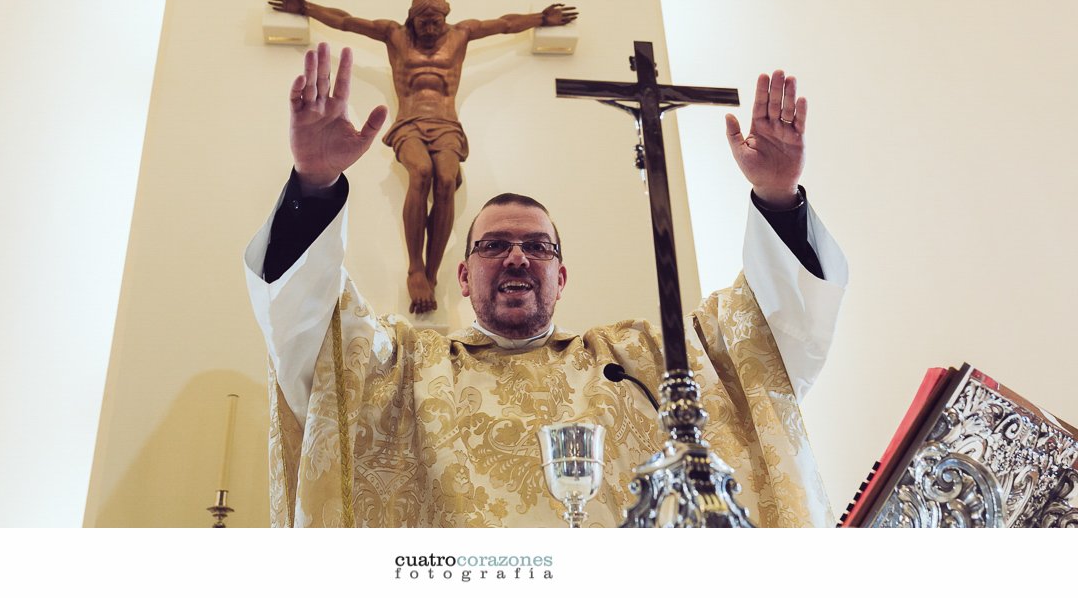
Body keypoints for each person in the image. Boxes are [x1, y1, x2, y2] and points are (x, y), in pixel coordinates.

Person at [244, 43, 848, 527]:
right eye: (493, 245)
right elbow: (309, 334)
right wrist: (315, 185)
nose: (515, 257)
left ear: (561, 276)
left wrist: (776, 197)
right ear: (462, 274)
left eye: (537, 247)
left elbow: (763, 344)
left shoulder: (641, 360)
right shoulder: (401, 373)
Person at [267, 0, 577, 315]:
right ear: (411, 18)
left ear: (446, 17)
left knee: (445, 178)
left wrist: (542, 19)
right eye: (423, 23)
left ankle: (430, 275)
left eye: (436, 22)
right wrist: (306, 8)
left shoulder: (461, 34)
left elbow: (504, 24)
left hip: (446, 125)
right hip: (409, 123)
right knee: (421, 172)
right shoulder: (394, 36)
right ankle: (416, 269)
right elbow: (346, 22)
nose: (430, 30)